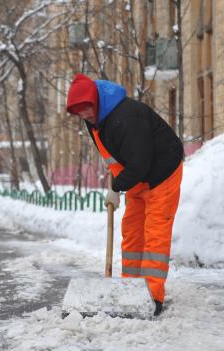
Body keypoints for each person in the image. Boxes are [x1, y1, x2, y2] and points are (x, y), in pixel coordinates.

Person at [66, 73, 184, 316]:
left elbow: (139, 163)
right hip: (136, 177)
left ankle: (151, 297)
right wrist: (117, 181)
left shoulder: (127, 117)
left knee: (154, 234)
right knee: (132, 231)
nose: (84, 115)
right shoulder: (95, 119)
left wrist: (116, 188)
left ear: (96, 101)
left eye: (86, 108)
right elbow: (116, 156)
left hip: (162, 173)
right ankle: (130, 287)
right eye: (79, 112)